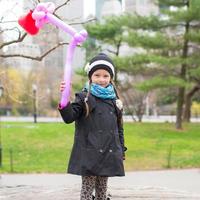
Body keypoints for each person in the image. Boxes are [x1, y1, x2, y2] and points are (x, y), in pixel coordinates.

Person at [58, 53, 127, 200]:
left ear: (111, 78)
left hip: (108, 152)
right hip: (89, 153)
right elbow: (69, 117)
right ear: (90, 77)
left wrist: (121, 149)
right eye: (97, 75)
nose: (101, 79)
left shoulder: (115, 101)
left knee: (102, 191)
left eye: (105, 76)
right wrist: (65, 97)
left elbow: (118, 129)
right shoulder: (84, 98)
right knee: (87, 192)